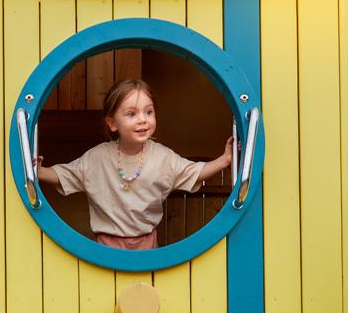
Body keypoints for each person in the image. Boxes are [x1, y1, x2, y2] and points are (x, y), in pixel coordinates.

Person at [36, 79, 233, 250]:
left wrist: (224, 160)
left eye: (148, 112)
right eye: (132, 114)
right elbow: (66, 175)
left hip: (147, 243)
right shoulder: (97, 158)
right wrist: (38, 172)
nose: (143, 120)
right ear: (112, 123)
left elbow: (194, 172)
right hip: (105, 245)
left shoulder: (163, 157)